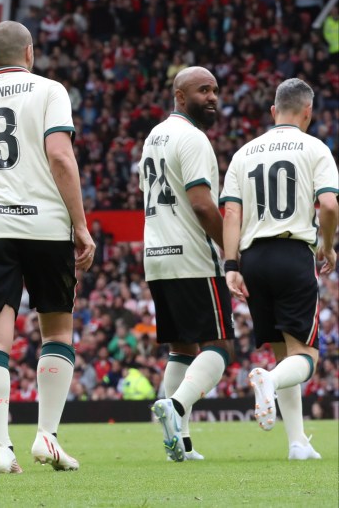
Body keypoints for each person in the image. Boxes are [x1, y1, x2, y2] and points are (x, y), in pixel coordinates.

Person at [0, 20, 95, 474]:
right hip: (45, 224)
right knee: (56, 331)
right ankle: (46, 436)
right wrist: (81, 225)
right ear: (28, 52)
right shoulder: (49, 90)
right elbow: (60, 157)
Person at [221, 78, 338, 461]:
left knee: (280, 351)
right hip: (292, 254)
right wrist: (327, 245)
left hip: (253, 259)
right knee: (304, 356)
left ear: (273, 111)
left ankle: (297, 442)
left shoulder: (244, 153)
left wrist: (231, 265)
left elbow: (232, 213)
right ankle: (268, 380)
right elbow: (330, 206)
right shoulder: (315, 148)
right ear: (308, 112)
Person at [140, 67, 233, 463]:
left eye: (214, 90)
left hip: (157, 257)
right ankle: (175, 406)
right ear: (180, 96)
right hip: (193, 257)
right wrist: (232, 248)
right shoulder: (192, 138)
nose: (211, 97)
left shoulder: (154, 136)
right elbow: (200, 203)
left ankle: (181, 441)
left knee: (182, 348)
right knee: (220, 347)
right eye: (202, 90)